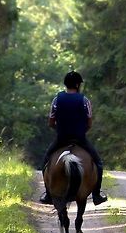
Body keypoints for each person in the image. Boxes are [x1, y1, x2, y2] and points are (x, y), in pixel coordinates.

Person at [39, 71, 108, 205]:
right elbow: (89, 122)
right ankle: (96, 194)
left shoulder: (56, 99)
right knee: (98, 163)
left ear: (66, 84)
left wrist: (59, 130)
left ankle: (48, 193)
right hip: (80, 138)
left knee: (46, 162)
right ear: (77, 85)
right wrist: (81, 131)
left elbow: (51, 122)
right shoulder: (84, 100)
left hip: (61, 138)